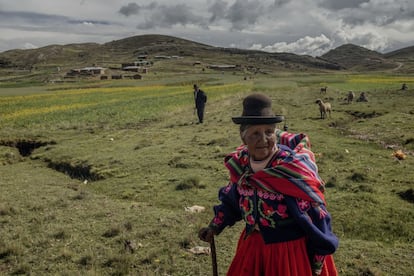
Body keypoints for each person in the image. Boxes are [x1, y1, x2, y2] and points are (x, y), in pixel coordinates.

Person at [198, 93, 338, 276]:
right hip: (252, 249)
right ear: (243, 138)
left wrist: (317, 259)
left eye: (269, 132)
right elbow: (232, 201)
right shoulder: (241, 167)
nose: (263, 139)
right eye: (255, 133)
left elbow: (316, 217)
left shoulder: (290, 170)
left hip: (287, 255)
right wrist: (215, 226)